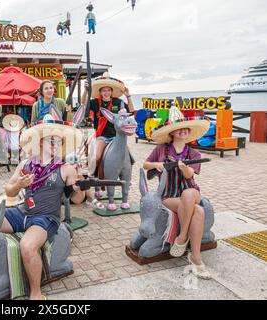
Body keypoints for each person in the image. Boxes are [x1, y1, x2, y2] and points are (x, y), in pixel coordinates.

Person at [0, 108, 85, 300]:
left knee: (27, 246)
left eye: (60, 141)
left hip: (46, 218)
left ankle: (36, 293)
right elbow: (8, 191)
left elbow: (77, 200)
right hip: (22, 212)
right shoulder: (26, 164)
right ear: (41, 142)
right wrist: (19, 184)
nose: (57, 144)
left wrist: (81, 187)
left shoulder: (66, 168)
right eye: (52, 140)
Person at [143, 106, 211, 279]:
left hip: (191, 192)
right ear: (172, 132)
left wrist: (184, 168)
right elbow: (145, 165)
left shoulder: (194, 153)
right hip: (169, 194)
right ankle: (195, 257)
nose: (183, 130)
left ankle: (181, 238)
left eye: (186, 128)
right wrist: (156, 165)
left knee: (188, 194)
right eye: (179, 128)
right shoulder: (161, 150)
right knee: (199, 211)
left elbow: (190, 175)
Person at [81, 73, 135, 189]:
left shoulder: (118, 102)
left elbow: (130, 111)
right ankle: (94, 178)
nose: (106, 93)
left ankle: (127, 179)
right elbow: (83, 103)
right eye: (103, 91)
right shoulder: (95, 102)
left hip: (117, 137)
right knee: (96, 157)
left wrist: (128, 96)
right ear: (100, 92)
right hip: (102, 137)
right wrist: (86, 91)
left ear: (111, 92)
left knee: (129, 157)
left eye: (108, 90)